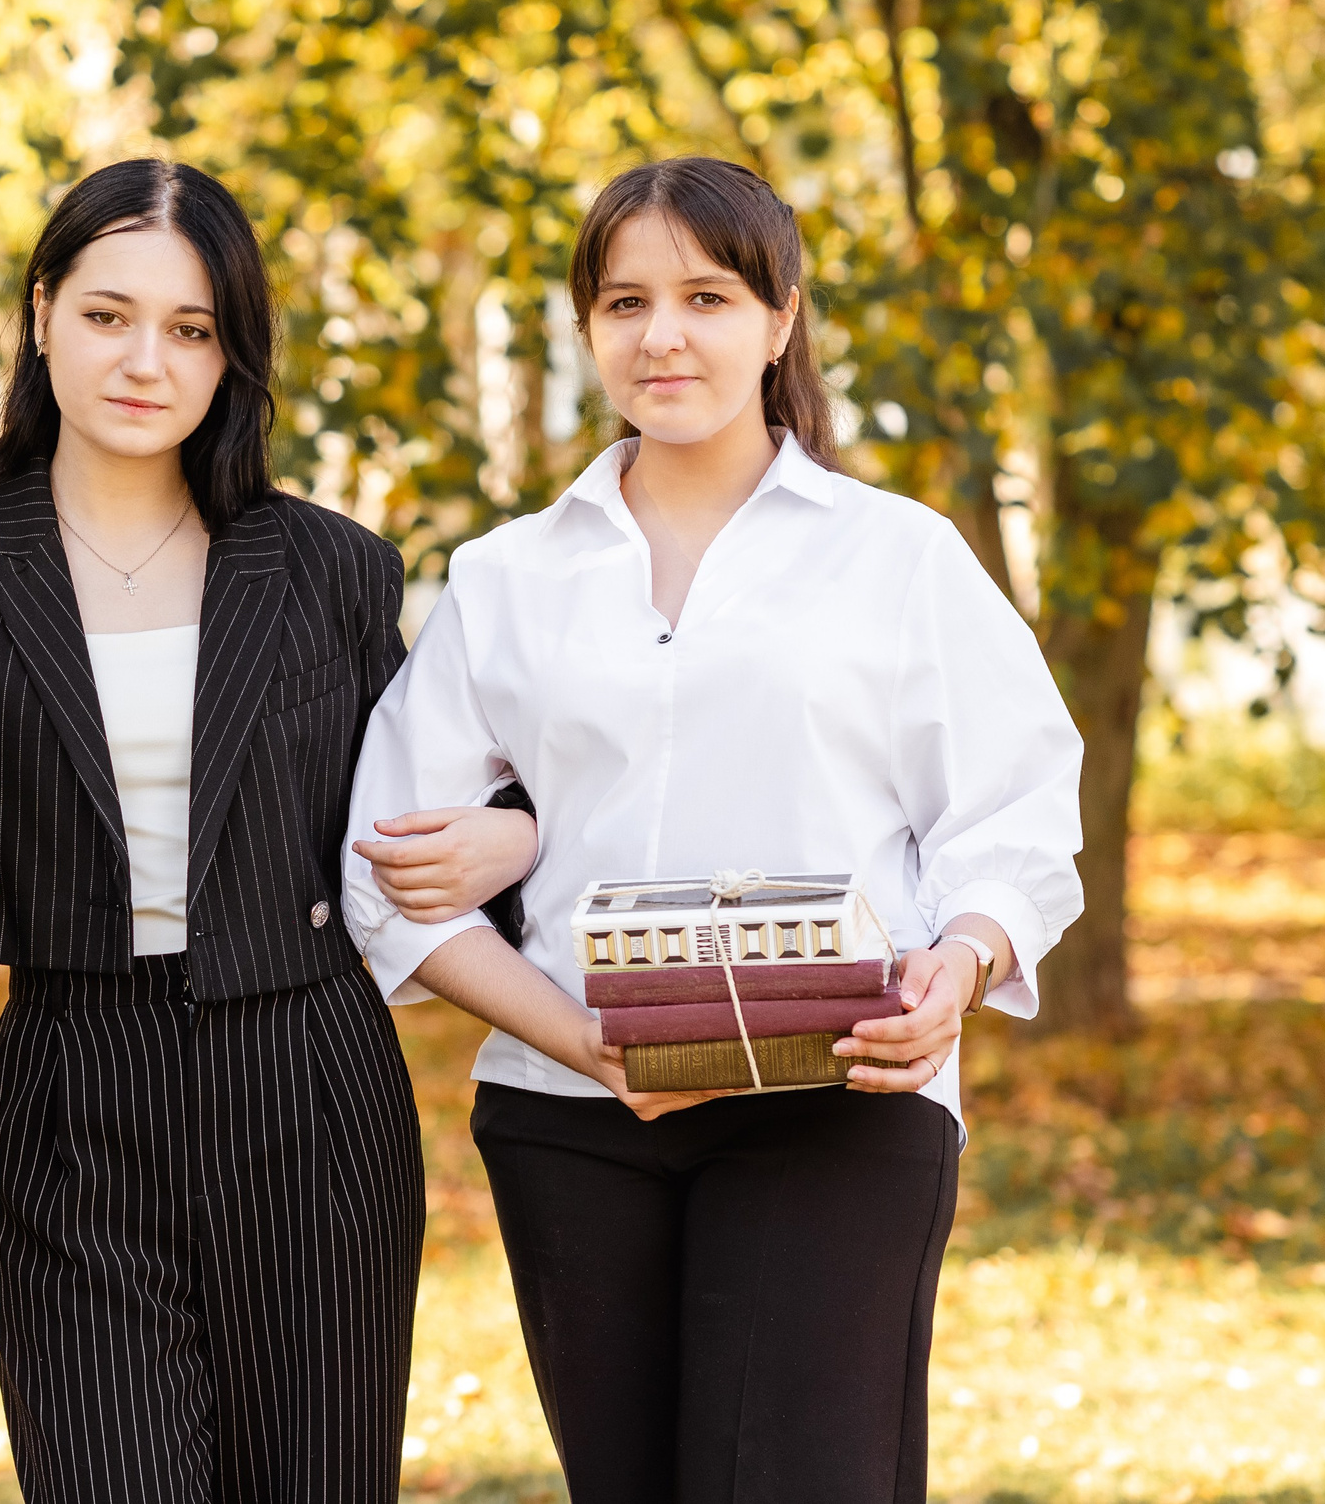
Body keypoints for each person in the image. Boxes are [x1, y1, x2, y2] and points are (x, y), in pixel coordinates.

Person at [0, 158, 532, 1503]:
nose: (146, 361)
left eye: (191, 330)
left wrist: (512, 839)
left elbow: (462, 791)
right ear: (43, 311)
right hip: (72, 1090)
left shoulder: (332, 572)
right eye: (109, 315)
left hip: (313, 1088)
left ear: (232, 354)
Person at [342, 156, 1084, 1504]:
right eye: (624, 302)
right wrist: (589, 1044)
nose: (662, 334)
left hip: (840, 1096)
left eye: (706, 295)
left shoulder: (897, 556)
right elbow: (392, 874)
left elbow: (1017, 809)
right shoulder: (509, 576)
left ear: (781, 316)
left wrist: (963, 964)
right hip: (571, 1116)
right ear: (587, 329)